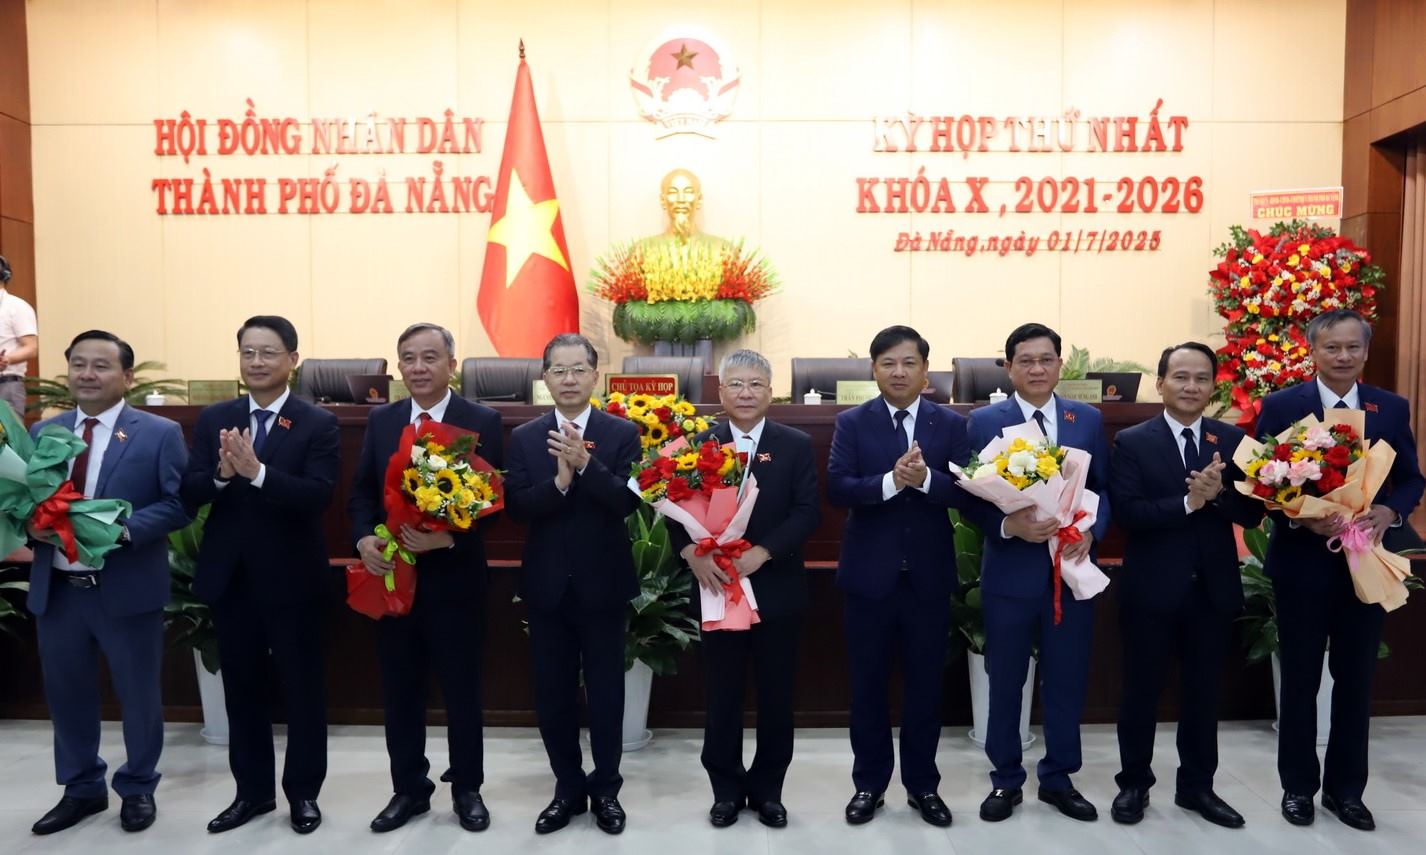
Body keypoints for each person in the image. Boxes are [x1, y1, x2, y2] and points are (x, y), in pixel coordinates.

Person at [1257, 309, 1424, 832]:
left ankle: (1346, 791)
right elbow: (1261, 479)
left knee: (1356, 680)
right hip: (1303, 566)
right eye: (1332, 348)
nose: (1343, 357)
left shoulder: (1390, 408)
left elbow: (1411, 480)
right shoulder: (1283, 406)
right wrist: (1299, 515)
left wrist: (1388, 511)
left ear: (1366, 351)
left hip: (1365, 562)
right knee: (1302, 679)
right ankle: (1298, 789)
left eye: (1353, 347)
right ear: (1313, 349)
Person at [180, 316, 339, 835]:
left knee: (303, 692)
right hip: (234, 579)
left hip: (294, 580)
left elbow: (318, 495)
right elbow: (191, 490)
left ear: (293, 359)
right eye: (247, 352)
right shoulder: (215, 419)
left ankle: (303, 795)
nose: (256, 362)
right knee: (242, 692)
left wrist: (259, 473)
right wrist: (224, 476)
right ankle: (251, 794)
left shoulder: (317, 422)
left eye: (268, 353)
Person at [27, 330, 189, 835]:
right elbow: (28, 497)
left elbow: (179, 503)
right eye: (78, 364)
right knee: (67, 694)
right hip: (58, 588)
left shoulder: (158, 433)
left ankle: (138, 787)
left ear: (127, 377)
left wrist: (122, 530)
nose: (87, 374)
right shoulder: (44, 433)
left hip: (124, 587)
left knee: (138, 696)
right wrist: (27, 521)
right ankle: (81, 788)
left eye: (100, 365)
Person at [349, 322, 504, 834]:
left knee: (462, 691)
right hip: (393, 576)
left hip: (454, 582)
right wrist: (364, 539)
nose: (418, 368)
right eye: (408, 358)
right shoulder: (382, 420)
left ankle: (468, 790)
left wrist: (449, 539)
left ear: (451, 365)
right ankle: (409, 790)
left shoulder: (481, 419)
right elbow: (363, 494)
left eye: (430, 357)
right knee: (401, 690)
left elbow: (496, 505)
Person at [1108, 342, 1263, 828]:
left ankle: (1197, 787)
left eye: (1201, 378)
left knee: (1203, 693)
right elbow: (1129, 514)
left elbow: (1254, 511)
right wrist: (1188, 504)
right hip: (1152, 588)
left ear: (1212, 386)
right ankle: (1134, 783)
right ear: (1160, 383)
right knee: (1141, 691)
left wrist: (1217, 499)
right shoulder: (1132, 441)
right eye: (1180, 377)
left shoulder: (1232, 439)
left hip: (1211, 590)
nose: (1190, 386)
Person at [964, 322, 1111, 823]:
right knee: (1006, 679)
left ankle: (1059, 777)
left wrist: (1093, 529)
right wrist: (1009, 525)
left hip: (1070, 569)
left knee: (1066, 678)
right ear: (1008, 367)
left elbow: (1104, 488)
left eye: (1046, 359)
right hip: (1010, 573)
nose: (1036, 369)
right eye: (1025, 360)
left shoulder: (1086, 418)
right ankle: (1005, 780)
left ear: (1060, 364)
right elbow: (970, 501)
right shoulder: (984, 422)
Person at [672, 349, 821, 829]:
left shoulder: (795, 443)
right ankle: (726, 789)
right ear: (720, 392)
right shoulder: (697, 443)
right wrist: (690, 552)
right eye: (736, 384)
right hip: (717, 586)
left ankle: (769, 789)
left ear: (771, 391)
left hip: (775, 586)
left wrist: (765, 552)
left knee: (777, 695)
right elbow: (672, 508)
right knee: (722, 695)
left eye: (756, 384)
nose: (746, 393)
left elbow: (806, 512)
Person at [827, 325, 970, 828]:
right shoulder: (852, 422)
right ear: (873, 369)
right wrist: (891, 481)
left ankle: (923, 786)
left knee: (925, 688)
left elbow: (966, 492)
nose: (899, 372)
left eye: (909, 363)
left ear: (926, 372)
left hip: (927, 580)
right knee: (867, 688)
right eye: (888, 363)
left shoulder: (949, 424)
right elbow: (839, 487)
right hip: (869, 579)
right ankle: (868, 785)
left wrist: (927, 479)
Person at [504, 333, 641, 836]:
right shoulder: (523, 437)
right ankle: (567, 788)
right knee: (554, 695)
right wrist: (560, 484)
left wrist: (586, 465)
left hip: (603, 585)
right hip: (546, 588)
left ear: (594, 374)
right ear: (545, 378)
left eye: (578, 369)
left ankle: (606, 790)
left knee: (606, 695)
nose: (568, 379)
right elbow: (517, 508)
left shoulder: (621, 432)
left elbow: (627, 503)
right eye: (558, 370)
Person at [0, 254, 39, 417]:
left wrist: (6, 359)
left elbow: (31, 348)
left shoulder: (16, 307)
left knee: (8, 441)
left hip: (6, 386)